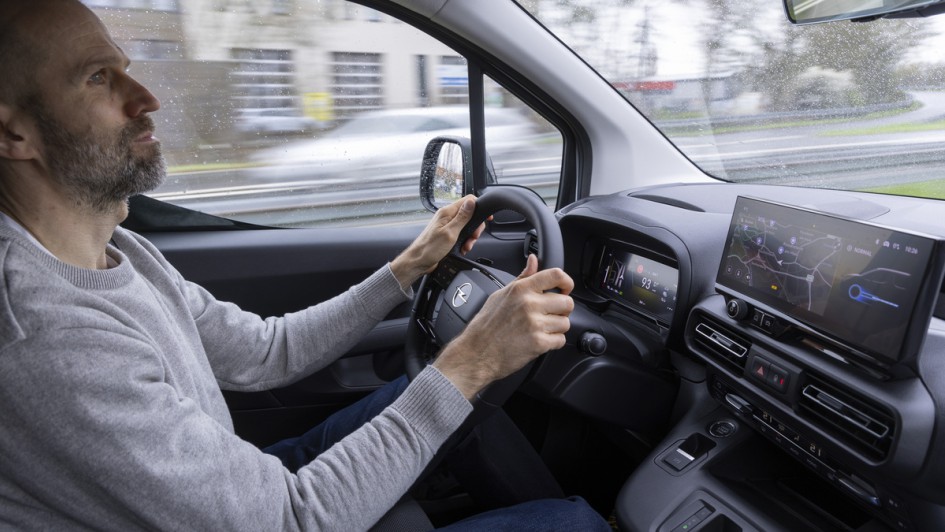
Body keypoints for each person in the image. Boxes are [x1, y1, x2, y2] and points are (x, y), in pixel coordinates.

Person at [0, 1, 612, 530]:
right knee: (574, 521)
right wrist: (473, 359)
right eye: (98, 78)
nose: (146, 98)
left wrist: (406, 269)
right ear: (13, 134)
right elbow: (293, 519)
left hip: (244, 501)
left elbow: (268, 352)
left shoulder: (123, 251)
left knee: (435, 402)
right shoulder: (43, 336)